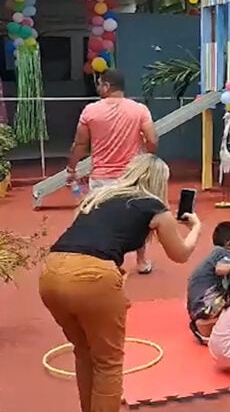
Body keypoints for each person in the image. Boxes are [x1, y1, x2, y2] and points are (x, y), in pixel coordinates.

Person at [39, 154, 201, 412]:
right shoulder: (154, 207)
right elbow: (180, 254)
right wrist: (196, 227)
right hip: (93, 277)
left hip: (51, 271)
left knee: (84, 352)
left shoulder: (99, 197)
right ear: (159, 181)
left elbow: (87, 238)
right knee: (108, 363)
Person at [67, 69, 158, 274]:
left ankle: (106, 262)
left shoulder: (90, 111)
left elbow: (80, 144)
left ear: (107, 86)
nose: (98, 88)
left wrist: (71, 168)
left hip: (101, 178)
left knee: (100, 220)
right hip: (131, 176)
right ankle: (142, 261)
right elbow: (152, 140)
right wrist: (146, 158)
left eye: (99, 84)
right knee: (139, 219)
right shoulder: (140, 109)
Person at [187, 221, 230, 343]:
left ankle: (204, 324)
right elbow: (220, 269)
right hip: (204, 305)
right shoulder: (225, 252)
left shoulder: (216, 252)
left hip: (197, 305)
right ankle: (205, 326)